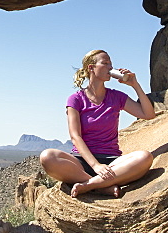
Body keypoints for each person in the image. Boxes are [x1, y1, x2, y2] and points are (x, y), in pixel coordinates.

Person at [40, 49, 156, 198]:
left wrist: (135, 85)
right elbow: (75, 136)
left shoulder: (117, 96)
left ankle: (90, 185)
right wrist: (95, 165)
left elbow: (148, 114)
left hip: (111, 161)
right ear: (91, 68)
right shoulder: (76, 99)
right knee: (47, 156)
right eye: (105, 63)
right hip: (81, 162)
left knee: (145, 157)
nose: (110, 67)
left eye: (111, 64)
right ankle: (101, 186)